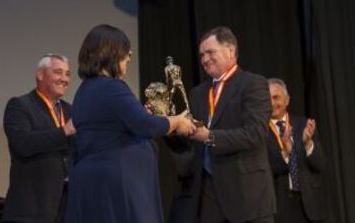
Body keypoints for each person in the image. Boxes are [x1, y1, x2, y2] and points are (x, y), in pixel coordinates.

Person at [65, 24, 196, 223]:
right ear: (111, 53)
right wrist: (177, 121)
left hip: (95, 184)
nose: (129, 58)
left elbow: (115, 125)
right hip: (116, 187)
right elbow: (147, 126)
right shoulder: (112, 87)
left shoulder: (84, 90)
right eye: (126, 52)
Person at [167, 26, 276, 223]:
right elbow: (189, 144)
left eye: (210, 52)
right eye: (201, 55)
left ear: (231, 50)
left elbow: (255, 133)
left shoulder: (253, 84)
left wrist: (209, 136)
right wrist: (168, 126)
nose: (204, 59)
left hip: (247, 198)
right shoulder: (198, 93)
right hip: (207, 197)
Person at [2, 53, 76, 223]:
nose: (64, 79)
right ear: (40, 74)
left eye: (67, 74)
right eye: (58, 72)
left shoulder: (71, 110)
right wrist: (64, 131)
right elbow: (22, 143)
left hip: (66, 210)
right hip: (31, 211)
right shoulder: (20, 106)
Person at [267, 78, 326, 223]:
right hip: (278, 208)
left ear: (287, 100)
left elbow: (320, 165)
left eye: (276, 97)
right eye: (267, 99)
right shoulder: (258, 132)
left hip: (309, 207)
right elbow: (265, 170)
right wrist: (286, 153)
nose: (272, 103)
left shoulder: (304, 125)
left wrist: (308, 144)